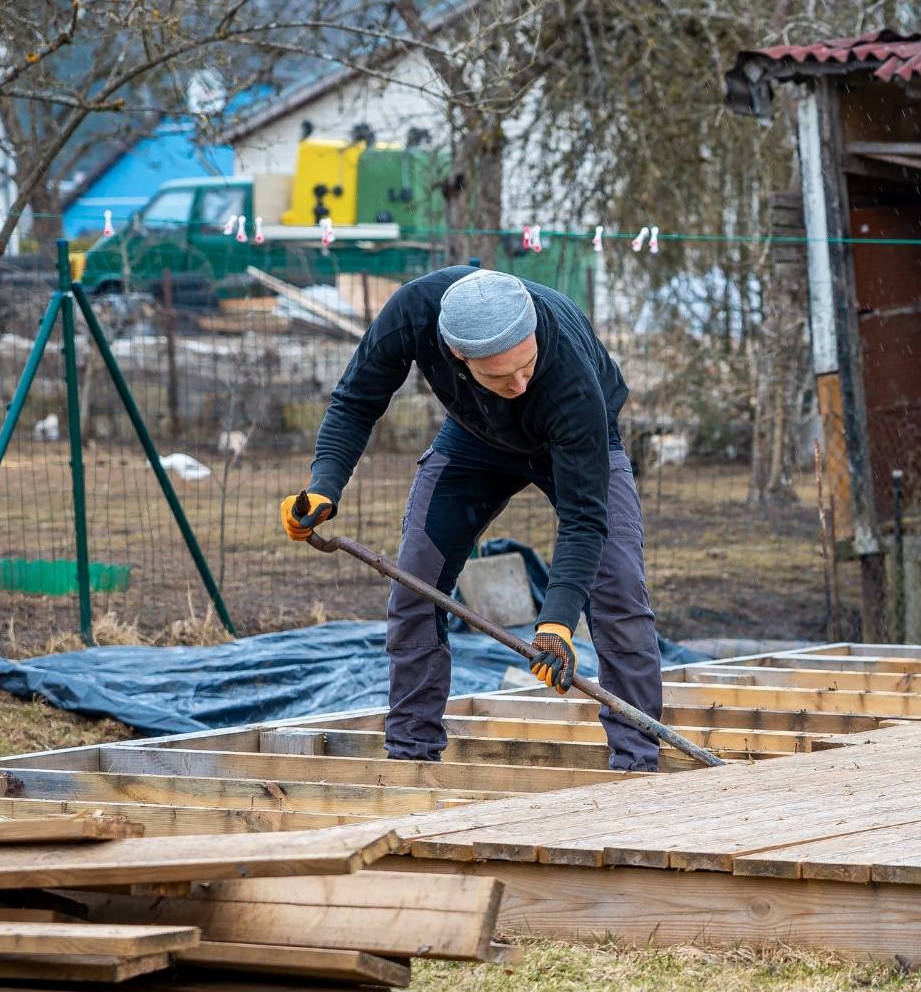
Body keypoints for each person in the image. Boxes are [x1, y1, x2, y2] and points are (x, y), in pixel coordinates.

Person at [280, 266, 663, 770]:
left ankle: (637, 765)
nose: (522, 383)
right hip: (474, 440)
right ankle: (412, 758)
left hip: (577, 441)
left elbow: (584, 520)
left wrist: (557, 620)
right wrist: (324, 485)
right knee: (416, 583)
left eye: (528, 365)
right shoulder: (413, 312)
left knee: (618, 592)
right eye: (502, 376)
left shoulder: (570, 379)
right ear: (458, 355)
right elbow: (356, 401)